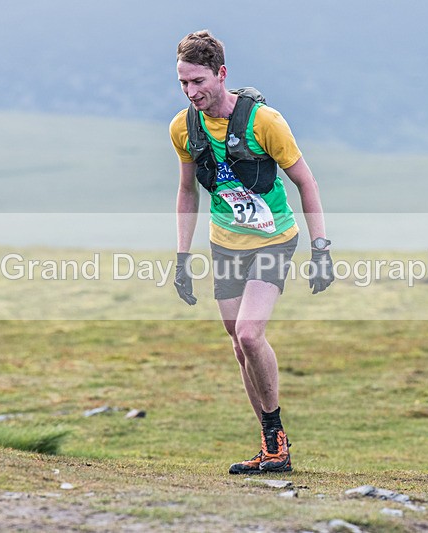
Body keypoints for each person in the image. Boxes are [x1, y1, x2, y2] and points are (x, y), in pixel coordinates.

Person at [169, 30, 333, 474]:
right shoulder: (183, 128)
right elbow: (188, 193)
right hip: (225, 244)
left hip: (274, 238)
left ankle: (277, 440)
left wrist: (321, 248)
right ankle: (268, 446)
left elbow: (306, 182)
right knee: (240, 348)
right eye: (183, 83)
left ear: (222, 74)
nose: (191, 91)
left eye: (198, 81)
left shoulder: (265, 122)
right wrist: (182, 259)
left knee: (248, 334)